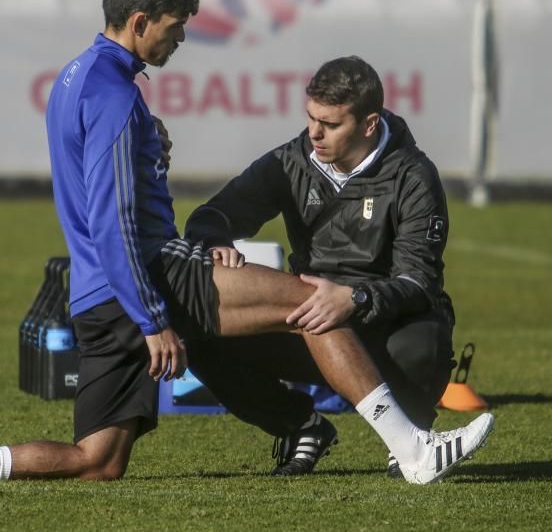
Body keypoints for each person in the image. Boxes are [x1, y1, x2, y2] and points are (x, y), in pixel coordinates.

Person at [0, 0, 492, 487]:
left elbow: (96, 174)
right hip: (147, 274)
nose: (181, 40)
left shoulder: (74, 79)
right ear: (140, 23)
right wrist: (153, 321)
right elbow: (113, 218)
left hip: (95, 296)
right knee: (308, 302)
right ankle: (414, 452)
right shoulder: (117, 97)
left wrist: (146, 149)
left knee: (97, 461)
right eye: (175, 28)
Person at [184, 55, 467, 478]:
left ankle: (406, 438)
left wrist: (355, 298)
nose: (314, 133)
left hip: (383, 322)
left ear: (369, 124)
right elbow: (214, 213)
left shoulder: (413, 176)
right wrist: (215, 239)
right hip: (311, 322)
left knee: (425, 338)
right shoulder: (290, 162)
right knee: (199, 332)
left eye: (330, 124)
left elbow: (419, 280)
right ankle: (300, 427)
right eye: (310, 118)